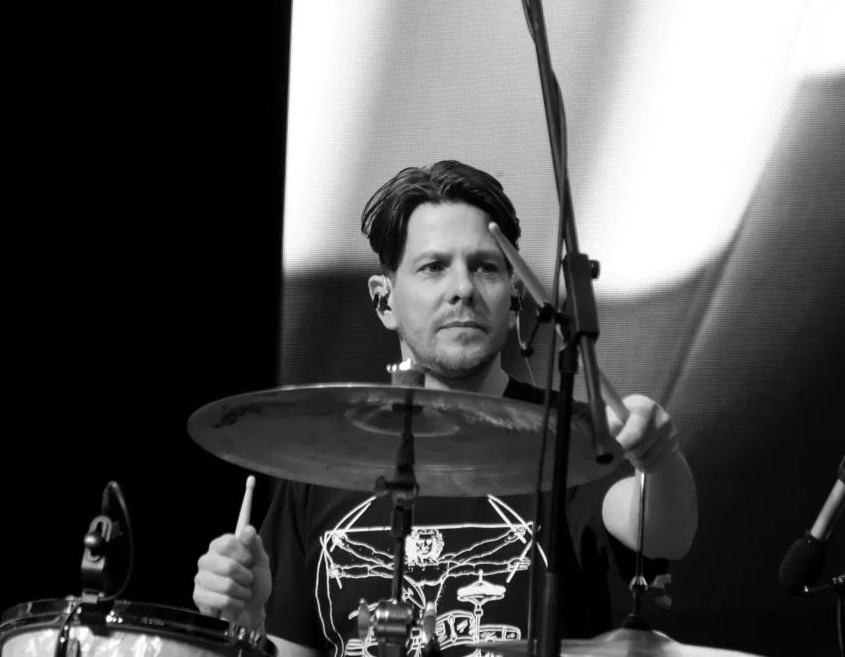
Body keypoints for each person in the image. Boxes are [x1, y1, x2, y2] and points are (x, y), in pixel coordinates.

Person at [192, 160, 698, 657]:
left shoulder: (572, 437)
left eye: (485, 267)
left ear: (515, 296)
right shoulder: (321, 458)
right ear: (384, 301)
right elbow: (288, 650)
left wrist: (659, 459)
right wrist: (249, 625)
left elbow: (664, 532)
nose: (463, 289)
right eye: (434, 267)